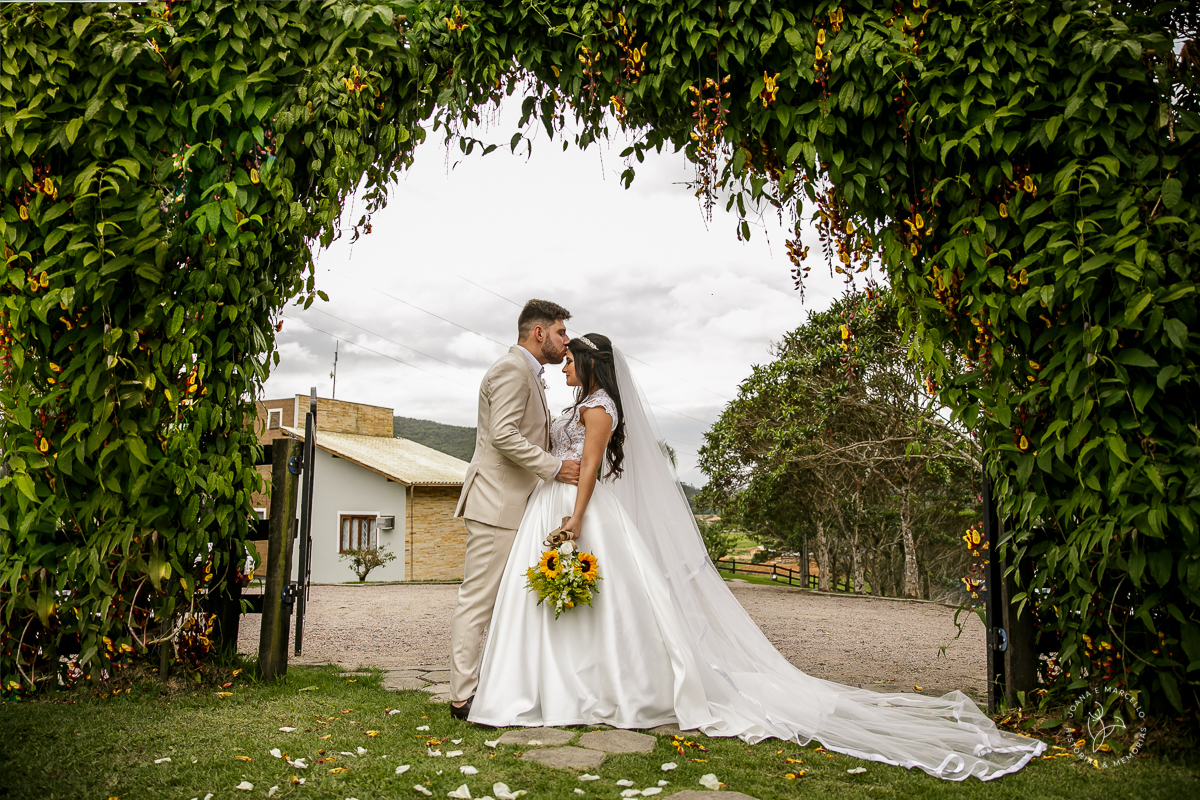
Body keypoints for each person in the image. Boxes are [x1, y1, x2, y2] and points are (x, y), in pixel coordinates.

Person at [468, 333, 1048, 781]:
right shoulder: (579, 402)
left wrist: (575, 518)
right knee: (562, 604)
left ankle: (600, 688)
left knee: (604, 605)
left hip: (584, 511)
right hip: (555, 503)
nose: (563, 365)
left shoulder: (598, 408)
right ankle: (552, 686)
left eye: (570, 359)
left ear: (590, 364)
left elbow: (592, 467)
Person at [448, 299, 581, 720]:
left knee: (504, 601)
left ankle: (498, 684)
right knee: (478, 601)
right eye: (561, 332)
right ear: (539, 333)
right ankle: (462, 697)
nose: (566, 341)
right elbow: (503, 436)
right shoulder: (511, 369)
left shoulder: (528, 372)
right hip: (496, 503)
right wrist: (555, 468)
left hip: (515, 504)